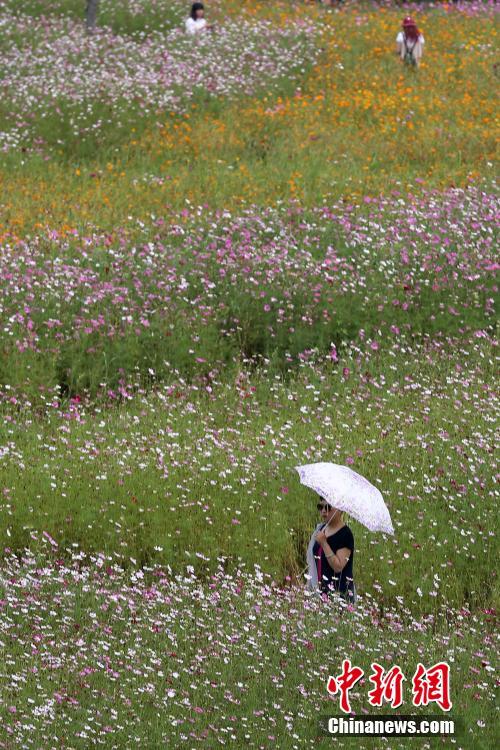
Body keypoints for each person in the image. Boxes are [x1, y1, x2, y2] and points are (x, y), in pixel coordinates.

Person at [306, 499, 356, 604]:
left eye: (328, 507)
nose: (323, 511)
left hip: (339, 596)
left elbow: (338, 567)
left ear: (340, 509)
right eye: (320, 507)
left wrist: (324, 543)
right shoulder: (321, 528)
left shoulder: (345, 535)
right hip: (319, 593)